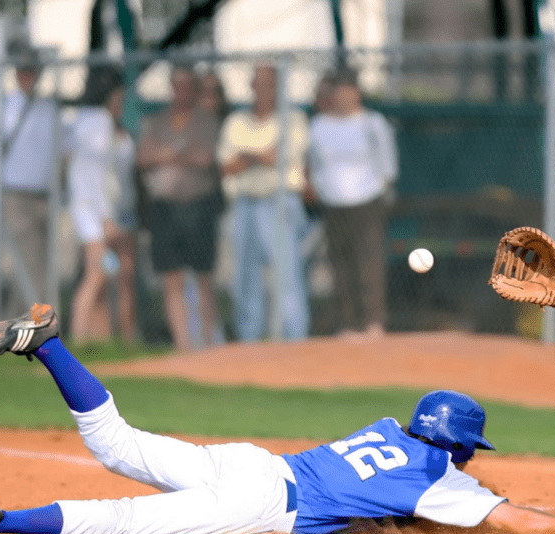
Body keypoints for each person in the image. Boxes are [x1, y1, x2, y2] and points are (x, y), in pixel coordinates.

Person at [0, 303, 555, 534]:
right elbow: (519, 523)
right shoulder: (435, 477)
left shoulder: (389, 429)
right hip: (261, 502)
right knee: (116, 518)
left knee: (114, 443)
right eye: (468, 452)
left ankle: (47, 344)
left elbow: (381, 500)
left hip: (252, 463)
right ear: (455, 446)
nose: (470, 463)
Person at [0, 37, 61, 317]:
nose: (28, 77)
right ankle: (25, 324)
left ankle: (24, 325)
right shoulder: (5, 109)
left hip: (44, 195)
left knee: (41, 265)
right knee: (28, 266)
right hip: (14, 195)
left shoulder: (46, 109)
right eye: (24, 71)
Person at [218, 63, 311, 341]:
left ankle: (294, 340)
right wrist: (259, 156)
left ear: (277, 87)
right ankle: (249, 342)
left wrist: (246, 157)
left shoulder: (292, 119)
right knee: (245, 278)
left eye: (268, 83)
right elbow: (227, 166)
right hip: (244, 203)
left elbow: (278, 158)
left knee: (286, 276)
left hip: (280, 203)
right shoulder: (236, 121)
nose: (262, 88)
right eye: (257, 82)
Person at [307, 67, 398, 340]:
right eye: (338, 91)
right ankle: (349, 324)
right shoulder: (319, 125)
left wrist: (379, 190)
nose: (343, 97)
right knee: (340, 263)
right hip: (332, 203)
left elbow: (387, 165)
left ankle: (373, 322)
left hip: (367, 201)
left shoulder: (373, 123)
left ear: (357, 93)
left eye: (348, 91)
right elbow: (314, 164)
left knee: (368, 261)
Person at [136, 64, 222, 351]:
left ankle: (208, 343)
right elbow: (144, 156)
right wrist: (180, 153)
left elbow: (204, 158)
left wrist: (166, 154)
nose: (181, 91)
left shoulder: (207, 121)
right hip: (164, 208)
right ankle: (184, 345)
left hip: (198, 206)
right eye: (177, 85)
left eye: (187, 85)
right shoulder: (157, 120)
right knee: (170, 276)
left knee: (203, 276)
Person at [66, 63, 138, 345]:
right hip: (94, 212)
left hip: (109, 210)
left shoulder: (91, 121)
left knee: (113, 276)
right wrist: (106, 217)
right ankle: (79, 338)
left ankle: (105, 340)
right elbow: (95, 176)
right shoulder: (98, 122)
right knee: (96, 275)